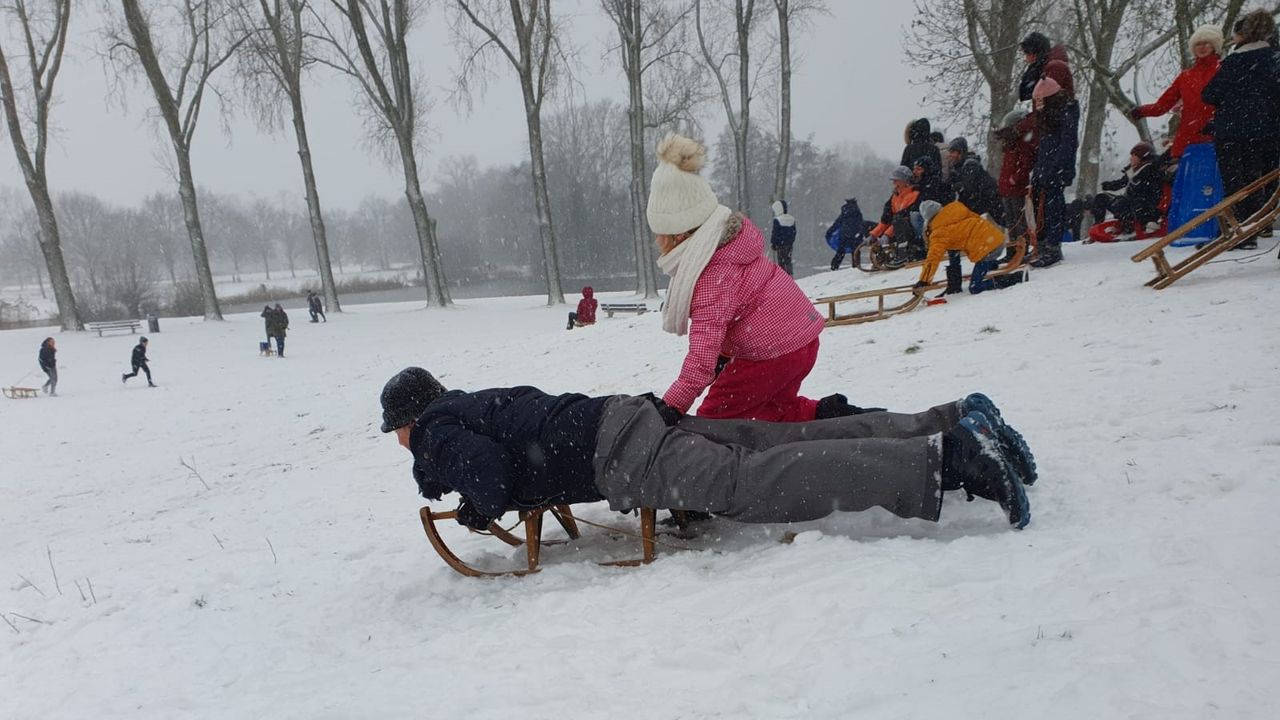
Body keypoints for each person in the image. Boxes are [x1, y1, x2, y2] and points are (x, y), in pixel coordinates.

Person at [379, 367, 1036, 534]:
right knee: (783, 439)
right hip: (626, 415)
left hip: (622, 455)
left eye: (397, 433)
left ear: (409, 417)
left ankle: (950, 459)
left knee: (757, 482)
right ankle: (955, 420)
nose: (406, 445)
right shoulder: (472, 401)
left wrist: (472, 507)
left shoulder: (437, 427)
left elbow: (489, 478)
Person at [647, 133, 842, 424]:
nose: (657, 242)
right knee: (773, 412)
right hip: (801, 339)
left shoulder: (710, 271)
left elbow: (702, 354)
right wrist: (724, 357)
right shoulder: (725, 246)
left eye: (658, 234)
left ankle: (727, 467)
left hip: (773, 351)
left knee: (714, 422)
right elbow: (740, 306)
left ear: (677, 233)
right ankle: (834, 416)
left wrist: (671, 407)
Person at [1202, 10, 1280, 250]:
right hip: (1268, 131)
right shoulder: (1274, 59)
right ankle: (1261, 223)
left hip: (1233, 133)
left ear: (1243, 34)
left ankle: (1242, 231)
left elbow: (1210, 94)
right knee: (1262, 180)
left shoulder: (1234, 61)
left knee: (1237, 184)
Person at [1130, 25, 1222, 161]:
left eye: (1206, 43)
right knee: (1181, 180)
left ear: (1214, 46)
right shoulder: (1185, 77)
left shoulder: (1222, 71)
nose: (1202, 47)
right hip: (1187, 139)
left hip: (1215, 137)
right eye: (1198, 44)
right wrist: (1141, 111)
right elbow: (1162, 105)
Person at [1029, 59, 1080, 268]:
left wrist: (1059, 167)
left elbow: (1068, 141)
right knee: (1039, 204)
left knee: (1053, 206)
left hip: (1055, 167)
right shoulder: (1048, 113)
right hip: (1045, 164)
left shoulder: (1066, 109)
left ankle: (1053, 246)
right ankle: (1040, 244)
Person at [914, 200, 1020, 294]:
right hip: (995, 238)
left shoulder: (939, 231)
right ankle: (990, 266)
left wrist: (924, 280)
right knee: (954, 250)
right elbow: (976, 219)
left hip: (988, 249)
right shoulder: (956, 210)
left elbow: (933, 257)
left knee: (975, 287)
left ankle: (1015, 277)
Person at [1090, 142, 1163, 236]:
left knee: (1121, 204)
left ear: (1143, 157)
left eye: (1134, 156)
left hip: (1143, 209)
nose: (1131, 158)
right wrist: (1108, 185)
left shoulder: (1150, 171)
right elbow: (1122, 182)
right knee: (1101, 198)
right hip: (1129, 205)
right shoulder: (1134, 171)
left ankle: (1130, 227)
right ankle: (1098, 227)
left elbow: (1147, 193)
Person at [994, 109, 1038, 259]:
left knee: (1019, 223)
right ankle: (1012, 251)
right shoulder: (1011, 146)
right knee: (1011, 223)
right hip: (1008, 188)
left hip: (1016, 189)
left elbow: (1026, 165)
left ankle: (1021, 250)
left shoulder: (1021, 145)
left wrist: (1015, 178)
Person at [868, 166, 924, 263]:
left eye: (896, 181)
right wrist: (873, 235)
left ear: (905, 181)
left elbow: (903, 218)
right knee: (867, 226)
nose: (894, 184)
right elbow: (886, 219)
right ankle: (882, 255)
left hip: (911, 231)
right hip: (897, 228)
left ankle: (904, 254)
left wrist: (887, 235)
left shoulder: (915, 195)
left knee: (899, 219)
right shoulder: (894, 197)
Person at [947, 137, 1005, 224]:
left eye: (952, 152)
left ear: (960, 153)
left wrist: (956, 187)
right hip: (983, 205)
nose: (950, 155)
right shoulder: (957, 167)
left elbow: (968, 188)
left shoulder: (970, 165)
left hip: (988, 205)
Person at [1018, 32, 1070, 101]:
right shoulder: (1040, 68)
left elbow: (1048, 100)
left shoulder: (1054, 67)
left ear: (1034, 54)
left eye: (1026, 53)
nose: (1026, 58)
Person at [826, 198, 866, 270]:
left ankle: (834, 266)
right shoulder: (858, 213)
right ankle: (856, 265)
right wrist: (861, 234)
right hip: (855, 236)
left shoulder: (844, 213)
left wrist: (829, 232)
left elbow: (836, 224)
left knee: (841, 251)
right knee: (855, 251)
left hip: (844, 234)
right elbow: (861, 224)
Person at [769, 200, 797, 276]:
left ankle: (782, 276)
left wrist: (774, 243)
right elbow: (794, 232)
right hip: (789, 244)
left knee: (781, 261)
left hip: (780, 245)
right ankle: (790, 275)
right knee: (788, 260)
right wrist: (791, 241)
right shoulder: (792, 219)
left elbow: (775, 233)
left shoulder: (777, 220)